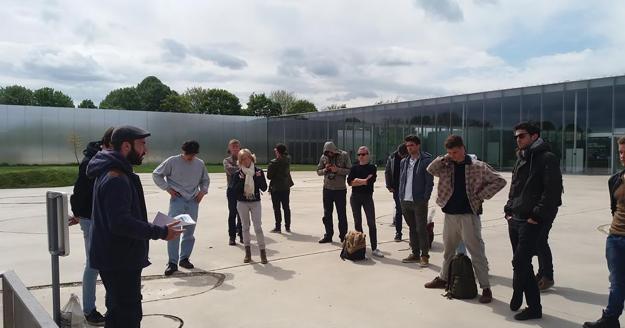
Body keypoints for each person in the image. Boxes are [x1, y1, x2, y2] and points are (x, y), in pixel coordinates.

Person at [86, 125, 183, 327]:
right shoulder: (116, 178)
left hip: (116, 257)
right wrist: (162, 232)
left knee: (118, 310)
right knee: (126, 316)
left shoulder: (113, 171)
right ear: (126, 146)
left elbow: (121, 218)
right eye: (142, 144)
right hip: (120, 260)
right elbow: (121, 223)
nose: (145, 150)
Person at [424, 135, 506, 305]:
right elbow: (430, 169)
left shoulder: (478, 166)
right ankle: (443, 278)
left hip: (469, 215)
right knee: (448, 251)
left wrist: (481, 195)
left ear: (463, 148)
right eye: (450, 153)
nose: (453, 155)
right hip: (450, 215)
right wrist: (445, 157)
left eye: (455, 152)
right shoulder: (446, 165)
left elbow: (500, 180)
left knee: (477, 252)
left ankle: (485, 287)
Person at [505, 122, 562, 320]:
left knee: (520, 261)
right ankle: (521, 295)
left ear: (535, 136)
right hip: (515, 217)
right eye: (516, 137)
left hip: (532, 220)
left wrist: (536, 216)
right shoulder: (521, 158)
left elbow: (552, 192)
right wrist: (508, 209)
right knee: (521, 263)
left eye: (522, 136)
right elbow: (515, 186)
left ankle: (529, 303)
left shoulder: (547, 158)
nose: (518, 139)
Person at [69, 127, 113, 326]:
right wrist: (80, 213)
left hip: (103, 218)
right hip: (92, 219)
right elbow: (80, 191)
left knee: (105, 263)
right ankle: (89, 310)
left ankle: (112, 304)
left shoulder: (105, 159)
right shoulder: (92, 162)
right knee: (93, 264)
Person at [583, 136, 625, 328]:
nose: (623, 156)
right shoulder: (615, 180)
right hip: (615, 238)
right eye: (621, 152)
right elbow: (613, 208)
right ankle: (610, 319)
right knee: (616, 281)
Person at [153, 140, 210, 276]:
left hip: (193, 201)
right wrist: (168, 189)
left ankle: (184, 258)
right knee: (174, 230)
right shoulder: (172, 161)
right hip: (177, 200)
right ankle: (172, 263)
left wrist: (203, 192)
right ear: (183, 152)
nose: (190, 158)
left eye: (192, 155)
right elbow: (156, 174)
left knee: (189, 232)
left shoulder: (200, 163)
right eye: (187, 155)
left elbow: (205, 180)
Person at [398, 135, 434, 266]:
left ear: (418, 145)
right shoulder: (404, 162)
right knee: (412, 228)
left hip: (419, 201)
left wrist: (425, 197)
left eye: (412, 145)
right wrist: (400, 196)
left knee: (421, 229)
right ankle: (415, 253)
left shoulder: (426, 161)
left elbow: (429, 182)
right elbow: (402, 180)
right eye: (407, 145)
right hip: (405, 200)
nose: (409, 148)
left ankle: (424, 256)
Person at [232, 149, 268, 264]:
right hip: (242, 202)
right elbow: (234, 191)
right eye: (242, 159)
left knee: (258, 227)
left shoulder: (258, 171)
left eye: (247, 157)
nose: (245, 160)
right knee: (245, 227)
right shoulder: (238, 174)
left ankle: (263, 252)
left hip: (255, 202)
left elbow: (264, 188)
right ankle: (248, 253)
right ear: (240, 161)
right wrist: (242, 181)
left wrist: (257, 178)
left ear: (251, 158)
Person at [348, 146, 383, 257]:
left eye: (363, 154)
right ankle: (361, 249)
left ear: (368, 155)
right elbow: (349, 182)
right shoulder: (354, 168)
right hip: (355, 197)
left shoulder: (372, 167)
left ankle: (374, 248)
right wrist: (361, 181)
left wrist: (358, 180)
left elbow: (369, 181)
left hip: (367, 197)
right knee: (358, 223)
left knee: (371, 223)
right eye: (359, 154)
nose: (361, 157)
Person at [317, 141, 352, 243]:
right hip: (327, 189)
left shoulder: (344, 155)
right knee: (327, 214)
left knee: (341, 214)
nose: (329, 154)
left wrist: (338, 170)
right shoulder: (323, 157)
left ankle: (343, 237)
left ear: (334, 150)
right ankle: (328, 235)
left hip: (340, 190)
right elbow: (318, 171)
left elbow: (350, 170)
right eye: (327, 152)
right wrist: (325, 170)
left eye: (331, 152)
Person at [267, 143, 294, 233]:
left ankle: (278, 227)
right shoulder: (288, 160)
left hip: (276, 188)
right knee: (286, 207)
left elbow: (269, 176)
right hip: (286, 186)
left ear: (278, 151)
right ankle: (287, 226)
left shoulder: (274, 162)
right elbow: (286, 155)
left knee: (277, 208)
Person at [385, 143, 408, 242]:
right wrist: (389, 185)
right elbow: (387, 171)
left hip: (408, 187)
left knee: (410, 211)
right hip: (397, 188)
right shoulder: (392, 157)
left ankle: (414, 233)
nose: (403, 157)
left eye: (404, 155)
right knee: (399, 210)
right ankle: (398, 233)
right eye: (401, 155)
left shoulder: (410, 157)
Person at [224, 139, 243, 245]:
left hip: (243, 190)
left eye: (237, 147)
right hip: (232, 190)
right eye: (233, 147)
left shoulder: (244, 158)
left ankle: (242, 235)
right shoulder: (227, 160)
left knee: (243, 214)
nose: (235, 149)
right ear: (229, 149)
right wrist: (242, 168)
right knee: (232, 213)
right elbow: (231, 170)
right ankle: (232, 236)